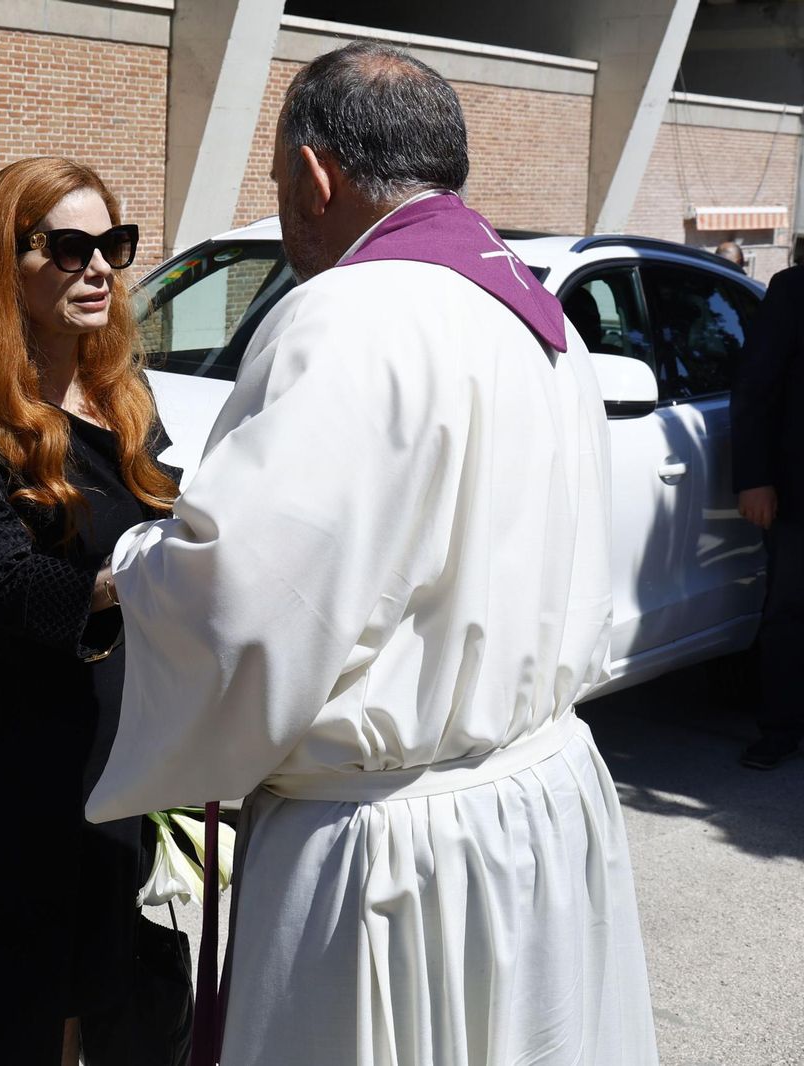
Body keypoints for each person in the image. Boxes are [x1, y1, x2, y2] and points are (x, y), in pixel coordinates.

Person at [87, 42, 659, 1065]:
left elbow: (246, 597)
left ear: (315, 176)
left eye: (277, 184)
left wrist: (132, 567)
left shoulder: (347, 313)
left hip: (389, 851)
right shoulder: (536, 312)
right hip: (537, 796)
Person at [0, 157, 181, 1066]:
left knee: (114, 1002)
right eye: (70, 247)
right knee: (4, 1015)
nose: (99, 268)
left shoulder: (129, 400)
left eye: (114, 246)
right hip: (11, 765)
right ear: (5, 262)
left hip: (122, 749)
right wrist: (133, 575)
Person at [731, 260, 804, 768]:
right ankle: (780, 728)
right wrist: (755, 478)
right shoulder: (793, 291)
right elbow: (756, 389)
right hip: (799, 495)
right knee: (789, 615)